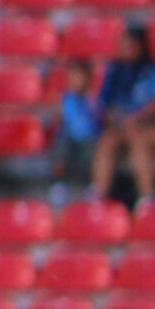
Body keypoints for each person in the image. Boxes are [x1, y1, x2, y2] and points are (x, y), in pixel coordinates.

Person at [88, 22, 155, 202]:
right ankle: (98, 195)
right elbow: (103, 105)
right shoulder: (114, 71)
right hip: (124, 128)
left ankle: (147, 195)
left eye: (129, 45)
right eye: (122, 45)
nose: (124, 50)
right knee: (108, 140)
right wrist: (115, 118)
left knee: (139, 140)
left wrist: (134, 118)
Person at [48, 57, 101, 205]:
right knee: (60, 145)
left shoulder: (92, 99)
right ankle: (58, 184)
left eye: (79, 77)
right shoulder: (65, 100)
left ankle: (93, 185)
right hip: (69, 139)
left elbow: (98, 118)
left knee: (94, 151)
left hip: (89, 139)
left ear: (87, 79)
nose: (74, 80)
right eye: (71, 76)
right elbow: (57, 120)